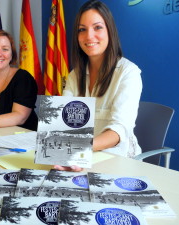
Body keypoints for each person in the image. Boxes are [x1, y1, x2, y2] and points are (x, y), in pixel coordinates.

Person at [54, 0, 142, 172]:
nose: (89, 36)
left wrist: (78, 148)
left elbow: (119, 130)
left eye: (97, 27)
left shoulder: (128, 73)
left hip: (118, 160)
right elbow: (64, 122)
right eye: (82, 29)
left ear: (110, 30)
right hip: (80, 157)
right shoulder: (74, 75)